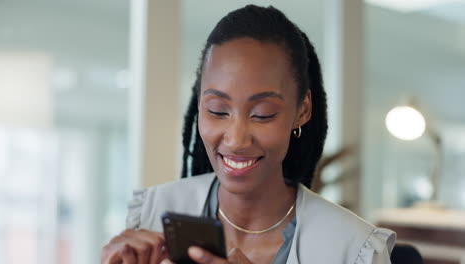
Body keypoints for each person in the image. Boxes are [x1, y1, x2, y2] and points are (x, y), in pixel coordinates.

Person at [101, 5, 396, 264]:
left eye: (262, 114)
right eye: (217, 110)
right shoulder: (154, 213)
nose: (236, 140)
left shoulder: (352, 249)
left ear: (302, 111)